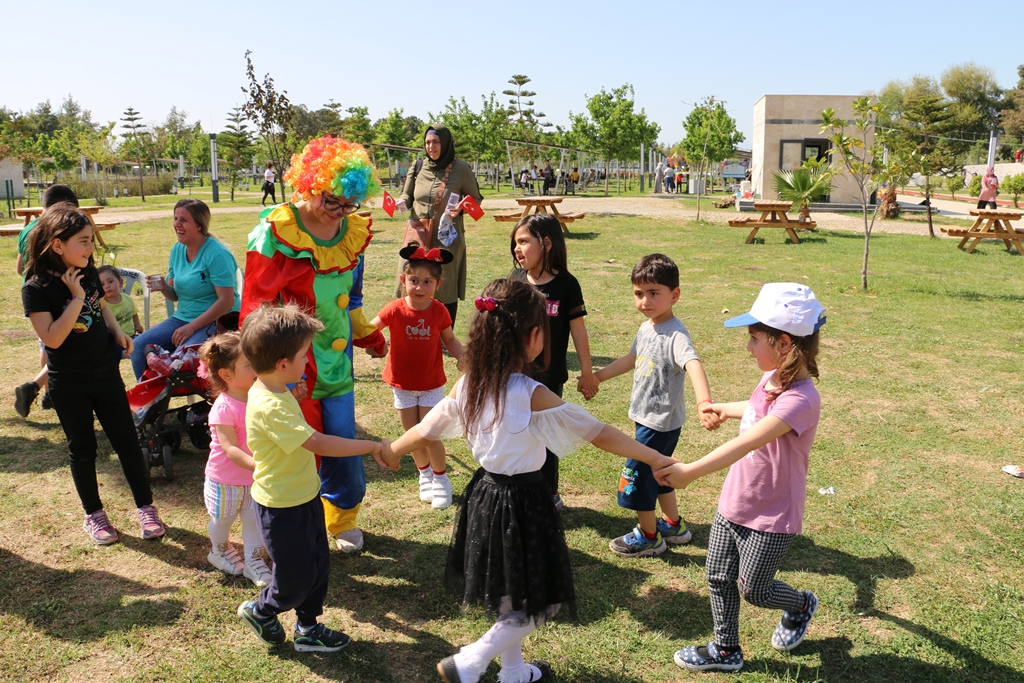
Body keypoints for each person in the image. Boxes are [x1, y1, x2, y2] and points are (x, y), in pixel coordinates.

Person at [381, 278, 677, 683]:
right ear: (534, 336)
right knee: (541, 601)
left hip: (484, 497)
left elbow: (428, 427)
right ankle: (470, 661)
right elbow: (598, 432)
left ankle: (514, 672)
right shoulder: (530, 392)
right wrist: (656, 456)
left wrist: (393, 449)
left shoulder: (469, 384)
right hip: (522, 502)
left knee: (511, 592)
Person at [656, 282, 825, 673]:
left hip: (771, 515)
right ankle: (725, 650)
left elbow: (750, 442)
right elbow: (752, 412)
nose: (748, 347)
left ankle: (800, 604)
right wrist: (722, 409)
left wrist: (690, 473)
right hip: (736, 501)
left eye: (753, 339)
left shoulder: (801, 399)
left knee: (755, 589)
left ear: (783, 344)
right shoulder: (771, 378)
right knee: (717, 575)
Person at [241, 135, 388, 554]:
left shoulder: (350, 235)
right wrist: (277, 375)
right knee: (297, 455)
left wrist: (368, 335)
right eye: (331, 201)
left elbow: (350, 301)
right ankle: (294, 529)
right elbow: (256, 312)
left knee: (342, 445)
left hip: (336, 366)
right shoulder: (274, 234)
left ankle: (342, 518)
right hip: (290, 367)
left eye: (349, 204)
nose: (340, 213)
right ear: (308, 185)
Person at [236, 303, 387, 652]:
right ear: (283, 364)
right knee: (293, 576)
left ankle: (307, 628)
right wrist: (372, 445)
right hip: (281, 507)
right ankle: (262, 610)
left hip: (305, 495)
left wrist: (291, 393)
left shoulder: (274, 389)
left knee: (318, 566)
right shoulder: (271, 405)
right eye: (305, 356)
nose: (308, 361)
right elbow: (317, 442)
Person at [21, 204, 165, 545]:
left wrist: (117, 332)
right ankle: (94, 515)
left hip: (105, 374)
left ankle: (146, 508)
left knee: (127, 443)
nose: (90, 249)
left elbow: (101, 309)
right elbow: (53, 338)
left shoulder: (87, 271)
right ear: (58, 245)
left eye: (90, 241)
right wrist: (76, 298)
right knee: (83, 449)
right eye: (83, 241)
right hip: (68, 382)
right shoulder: (36, 288)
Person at [590, 254, 714, 558]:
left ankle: (649, 538)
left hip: (660, 424)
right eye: (639, 293)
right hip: (646, 420)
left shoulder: (675, 335)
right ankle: (673, 525)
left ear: (675, 295)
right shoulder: (647, 328)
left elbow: (693, 364)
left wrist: (704, 402)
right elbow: (631, 359)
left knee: (637, 478)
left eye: (654, 293)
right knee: (660, 472)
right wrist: (598, 377)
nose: (645, 301)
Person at [509, 214, 597, 509]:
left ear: (546, 243)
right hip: (515, 374)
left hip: (549, 376)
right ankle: (523, 488)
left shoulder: (566, 284)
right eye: (515, 243)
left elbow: (578, 330)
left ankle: (549, 492)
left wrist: (587, 373)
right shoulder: (516, 279)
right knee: (518, 430)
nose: (517, 249)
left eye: (523, 242)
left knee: (546, 433)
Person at [370, 244, 465, 510]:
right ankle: (423, 475)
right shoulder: (394, 309)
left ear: (438, 283)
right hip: (402, 384)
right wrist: (371, 342)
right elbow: (370, 330)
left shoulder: (439, 311)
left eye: (427, 282)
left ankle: (441, 478)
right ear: (403, 280)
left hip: (431, 383)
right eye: (414, 281)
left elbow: (451, 340)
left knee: (430, 434)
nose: (420, 287)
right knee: (412, 434)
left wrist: (462, 355)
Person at [131, 198, 240, 380]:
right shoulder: (177, 250)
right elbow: (174, 295)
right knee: (138, 346)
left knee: (181, 358)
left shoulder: (217, 253)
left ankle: (162, 401)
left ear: (199, 225)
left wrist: (191, 328)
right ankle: (149, 402)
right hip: (183, 318)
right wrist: (164, 286)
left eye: (183, 220)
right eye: (175, 218)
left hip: (217, 320)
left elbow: (226, 301)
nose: (176, 224)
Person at [198, 331, 273, 587]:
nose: (256, 368)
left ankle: (253, 561)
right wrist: (260, 466)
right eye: (248, 365)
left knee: (255, 522)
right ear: (226, 375)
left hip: (254, 479)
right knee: (222, 521)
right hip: (225, 482)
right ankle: (219, 550)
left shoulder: (260, 397)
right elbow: (230, 448)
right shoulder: (224, 407)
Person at [396, 125, 484, 324]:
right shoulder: (417, 167)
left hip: (446, 239)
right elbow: (407, 196)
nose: (431, 146)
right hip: (418, 235)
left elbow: (476, 200)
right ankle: (410, 327)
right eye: (427, 142)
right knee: (413, 277)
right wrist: (401, 202)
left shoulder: (461, 169)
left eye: (436, 142)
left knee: (445, 285)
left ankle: (444, 335)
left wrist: (461, 208)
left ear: (445, 143)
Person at [14, 184, 80, 417]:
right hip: (54, 293)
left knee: (48, 344)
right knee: (63, 345)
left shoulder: (27, 229)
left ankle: (45, 393)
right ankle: (43, 389)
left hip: (32, 296)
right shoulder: (56, 230)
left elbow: (19, 267)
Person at [97, 265, 143, 338]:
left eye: (110, 281)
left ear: (120, 283)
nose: (107, 286)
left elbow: (134, 314)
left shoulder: (127, 299)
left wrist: (137, 325)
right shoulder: (102, 306)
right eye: (102, 284)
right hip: (115, 341)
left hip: (132, 336)